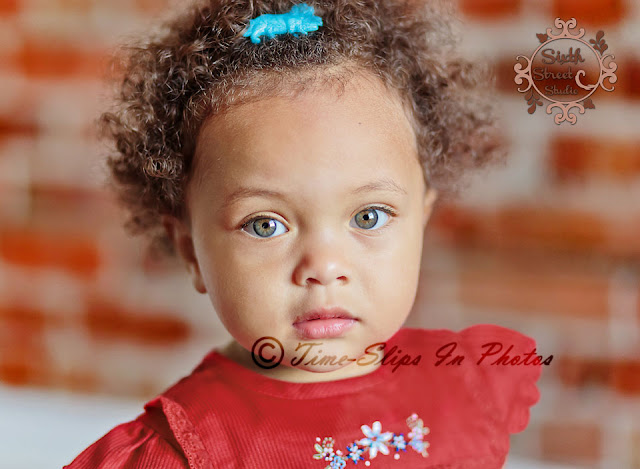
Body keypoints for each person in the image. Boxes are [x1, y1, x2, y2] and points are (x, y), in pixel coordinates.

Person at [64, 0, 543, 467]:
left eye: (369, 217)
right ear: (189, 249)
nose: (324, 267)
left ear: (421, 217)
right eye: (265, 225)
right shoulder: (175, 454)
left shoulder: (460, 403)